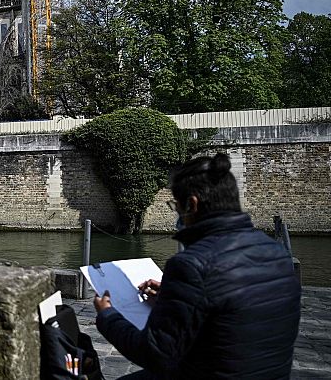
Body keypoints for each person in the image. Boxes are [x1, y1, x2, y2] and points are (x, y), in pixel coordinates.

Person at [93, 153, 301, 379]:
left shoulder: (190, 265)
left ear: (192, 204)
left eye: (176, 206)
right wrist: (174, 298)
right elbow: (235, 316)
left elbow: (154, 354)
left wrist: (107, 315)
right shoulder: (278, 254)